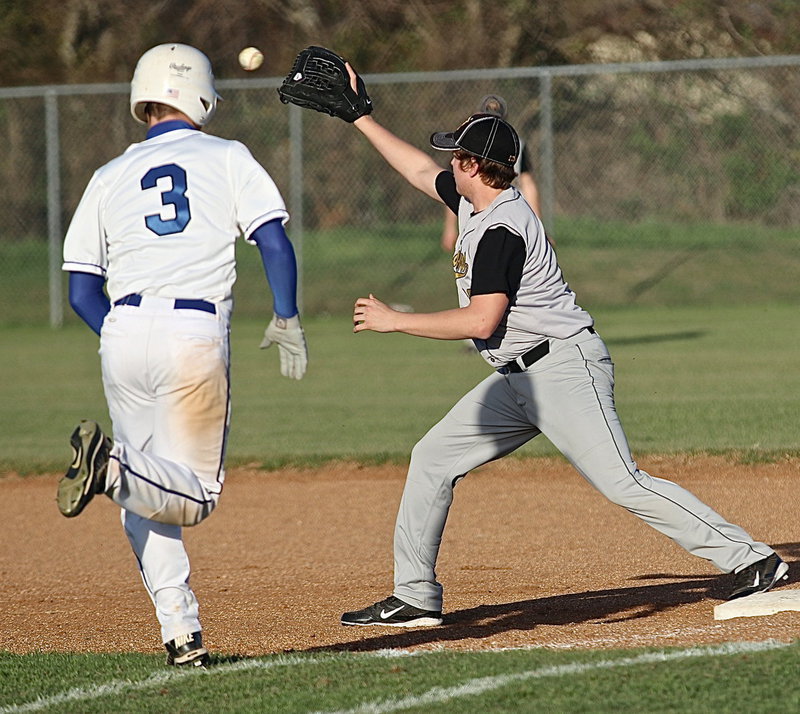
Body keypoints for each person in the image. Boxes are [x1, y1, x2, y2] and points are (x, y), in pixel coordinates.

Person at [337, 62, 787, 627]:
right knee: (432, 457)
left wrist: (395, 321)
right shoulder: (474, 200)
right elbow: (419, 171)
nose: (450, 163)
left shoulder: (502, 228)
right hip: (518, 378)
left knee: (622, 481)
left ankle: (756, 562)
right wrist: (360, 118)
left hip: (563, 370)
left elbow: (481, 320)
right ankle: (415, 595)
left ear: (476, 166)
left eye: (458, 155)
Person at [57, 43, 308, 665]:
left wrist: (122, 337)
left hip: (122, 329)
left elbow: (80, 288)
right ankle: (107, 468)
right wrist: (286, 315)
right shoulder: (226, 156)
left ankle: (181, 632)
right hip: (192, 333)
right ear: (199, 94)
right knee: (193, 494)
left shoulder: (109, 175)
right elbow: (273, 242)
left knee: (147, 489)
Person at [440, 94, 541, 253]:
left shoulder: (516, 145)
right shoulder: (467, 143)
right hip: (479, 210)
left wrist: (538, 225)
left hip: (507, 213)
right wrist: (450, 227)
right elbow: (444, 182)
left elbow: (528, 184)